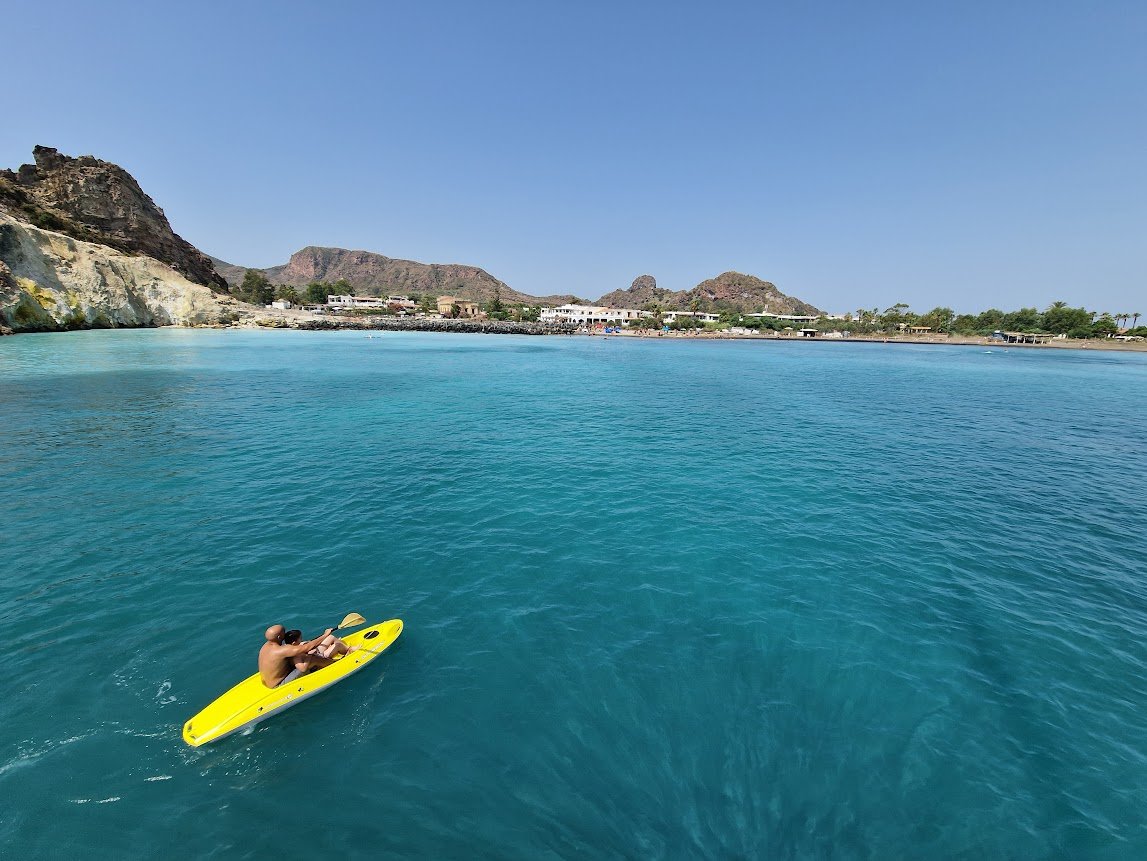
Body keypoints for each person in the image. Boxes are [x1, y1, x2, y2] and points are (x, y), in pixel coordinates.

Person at [258, 624, 356, 688]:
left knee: (307, 656)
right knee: (311, 659)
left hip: (268, 681)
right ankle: (335, 663)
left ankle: (335, 651)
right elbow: (308, 648)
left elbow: (293, 649)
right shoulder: (281, 650)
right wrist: (325, 635)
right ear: (279, 637)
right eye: (284, 633)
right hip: (279, 684)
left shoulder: (266, 646)